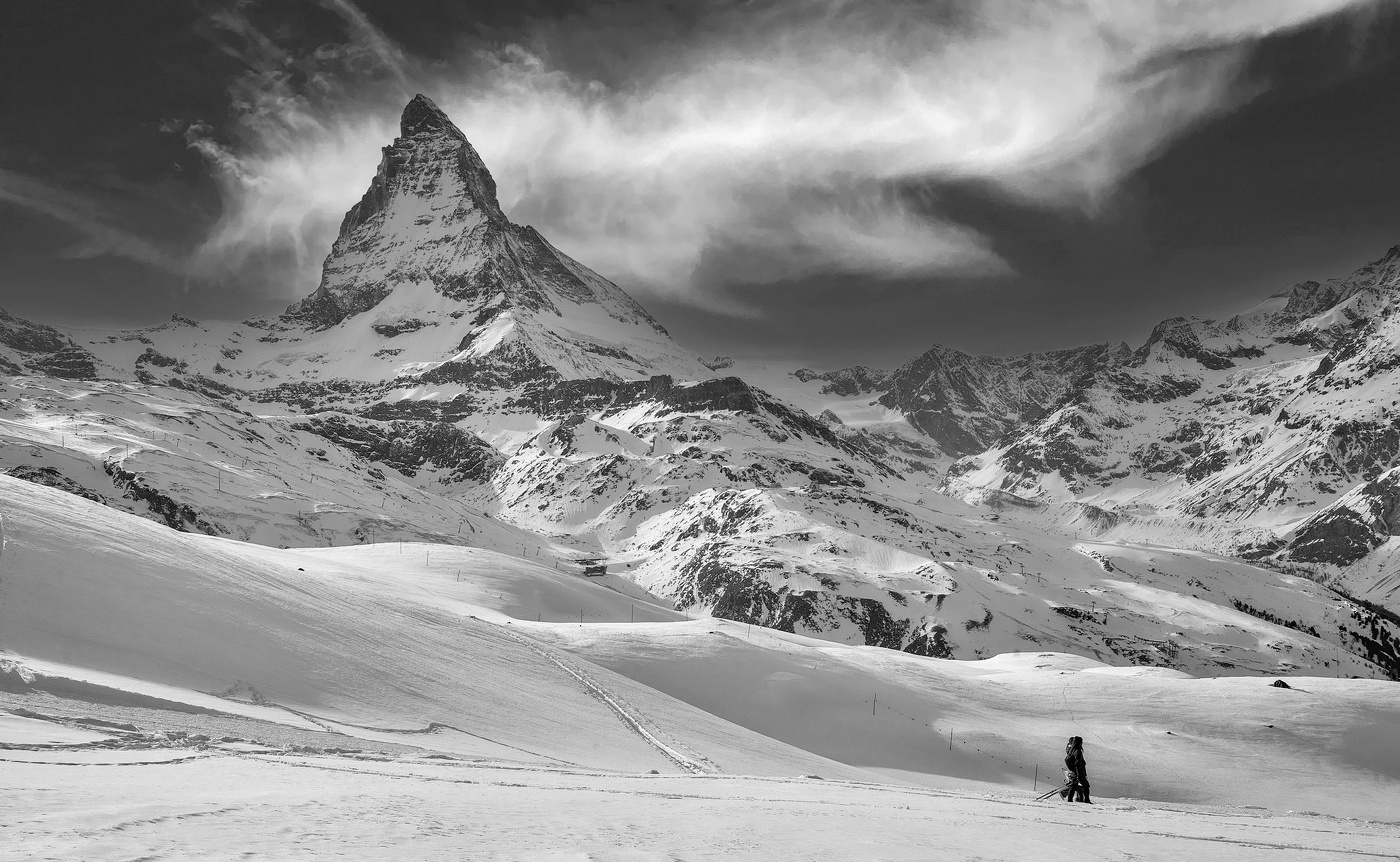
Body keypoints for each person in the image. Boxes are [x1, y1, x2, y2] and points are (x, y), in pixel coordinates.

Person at [1061, 736, 1091, 803]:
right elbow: (1078, 763)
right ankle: (1086, 800)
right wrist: (1079, 774)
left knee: (1074, 785)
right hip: (1079, 772)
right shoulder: (1078, 751)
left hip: (1073, 771)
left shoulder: (1071, 750)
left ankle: (1070, 799)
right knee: (1086, 785)